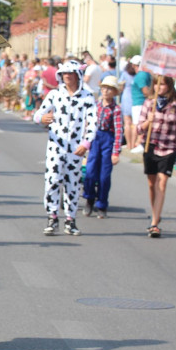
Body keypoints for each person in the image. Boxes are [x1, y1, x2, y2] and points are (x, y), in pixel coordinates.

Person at [32, 59, 97, 236]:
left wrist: (86, 142)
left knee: (72, 184)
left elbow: (92, 123)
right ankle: (52, 217)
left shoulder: (87, 97)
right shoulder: (55, 95)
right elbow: (38, 114)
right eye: (64, 73)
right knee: (52, 181)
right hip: (56, 146)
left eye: (70, 73)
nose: (67, 76)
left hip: (75, 149)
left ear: (78, 75)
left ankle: (70, 219)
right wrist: (41, 119)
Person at [136, 74, 176, 237]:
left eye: (164, 85)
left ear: (169, 86)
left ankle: (154, 223)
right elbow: (138, 128)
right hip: (151, 147)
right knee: (152, 184)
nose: (161, 88)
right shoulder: (149, 103)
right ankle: (155, 214)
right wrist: (147, 122)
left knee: (162, 183)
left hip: (169, 148)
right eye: (158, 85)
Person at [82, 75, 123, 218]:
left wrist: (116, 152)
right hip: (94, 139)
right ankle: (89, 198)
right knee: (89, 172)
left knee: (104, 176)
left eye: (110, 89)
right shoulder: (94, 106)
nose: (106, 91)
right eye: (104, 88)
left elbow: (118, 131)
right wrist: (84, 143)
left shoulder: (116, 110)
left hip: (108, 140)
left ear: (114, 92)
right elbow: (87, 125)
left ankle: (102, 204)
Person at [128, 55, 151, 154]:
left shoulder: (141, 75)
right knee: (136, 124)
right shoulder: (143, 74)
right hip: (138, 102)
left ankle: (136, 144)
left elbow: (145, 91)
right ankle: (134, 144)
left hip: (140, 102)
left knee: (137, 124)